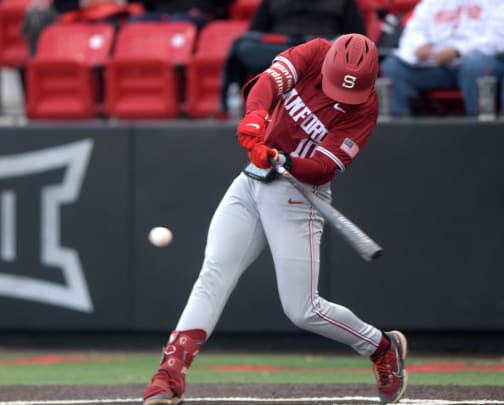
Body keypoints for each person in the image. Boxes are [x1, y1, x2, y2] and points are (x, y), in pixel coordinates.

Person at [142, 34, 408, 405]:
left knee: (303, 310)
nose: (338, 97)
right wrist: (255, 118)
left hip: (299, 195)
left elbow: (321, 168)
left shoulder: (365, 109)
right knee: (214, 273)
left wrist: (284, 159)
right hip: (251, 180)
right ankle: (169, 374)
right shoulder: (315, 53)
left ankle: (381, 347)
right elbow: (266, 84)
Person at [220, 0, 368, 115]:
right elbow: (256, 31)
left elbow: (358, 36)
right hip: (281, 48)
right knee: (241, 45)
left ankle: (349, 105)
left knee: (351, 46)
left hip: (322, 49)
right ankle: (235, 102)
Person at [380, 0, 504, 117]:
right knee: (392, 67)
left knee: (475, 66)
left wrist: (458, 51)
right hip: (435, 65)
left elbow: (497, 39)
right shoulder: (432, 3)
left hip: (477, 61)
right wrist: (419, 45)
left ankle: (481, 128)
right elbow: (413, 31)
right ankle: (406, 130)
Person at [127, 0, 229, 30]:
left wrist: (204, 9)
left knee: (179, 19)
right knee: (134, 21)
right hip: (164, 15)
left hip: (199, 14)